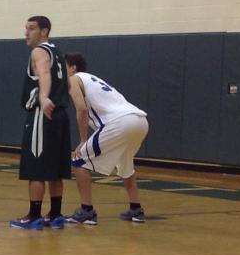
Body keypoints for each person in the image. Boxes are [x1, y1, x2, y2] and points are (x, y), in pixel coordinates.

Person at [64, 53, 150, 224]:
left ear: (73, 67)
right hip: (140, 120)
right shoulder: (93, 79)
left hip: (120, 123)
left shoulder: (73, 79)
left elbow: (81, 109)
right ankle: (136, 209)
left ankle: (86, 211)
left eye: (63, 66)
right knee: (126, 164)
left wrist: (82, 141)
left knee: (79, 160)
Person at [11, 15, 73, 230]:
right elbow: (69, 86)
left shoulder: (39, 51)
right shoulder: (58, 54)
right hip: (61, 115)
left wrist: (44, 96)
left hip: (42, 114)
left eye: (31, 28)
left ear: (44, 31)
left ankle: (34, 215)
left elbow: (44, 73)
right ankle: (55, 214)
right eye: (25, 28)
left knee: (36, 167)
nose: (26, 32)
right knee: (56, 168)